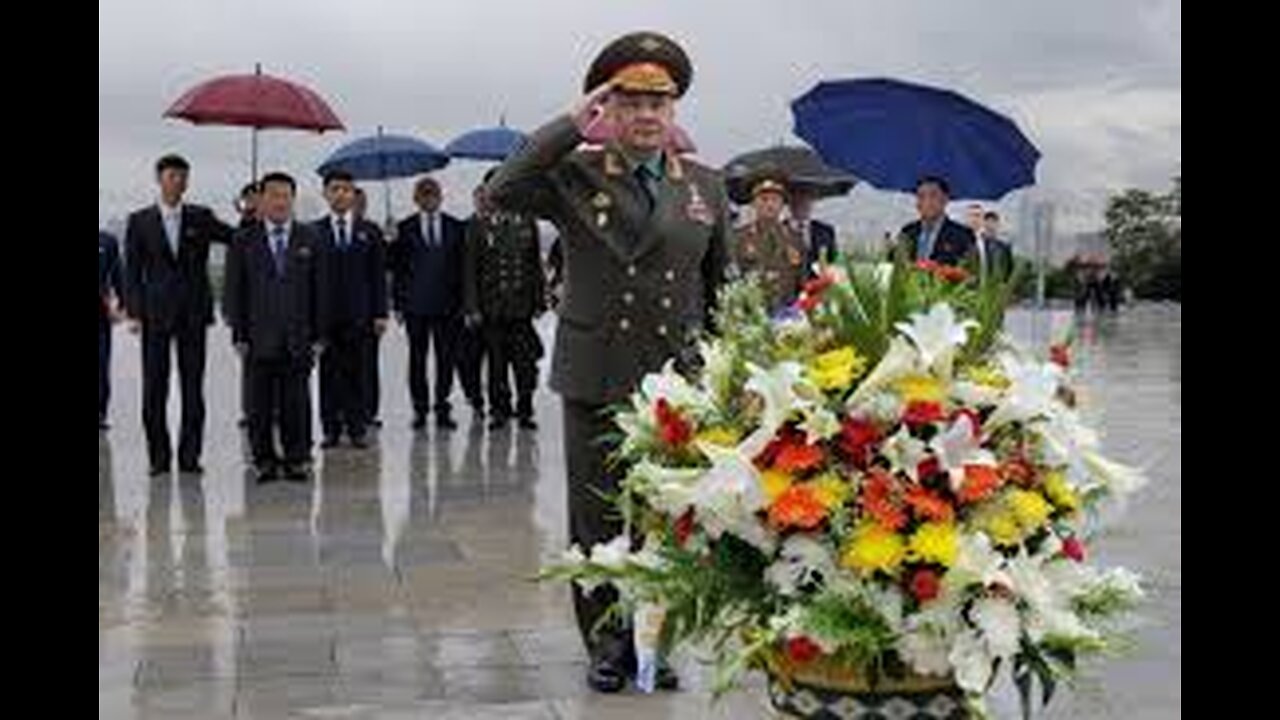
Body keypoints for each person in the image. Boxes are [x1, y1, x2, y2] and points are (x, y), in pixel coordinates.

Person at [486, 31, 729, 693]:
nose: (647, 115)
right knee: (597, 518)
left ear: (674, 111)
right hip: (596, 368)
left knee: (663, 518)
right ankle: (603, 643)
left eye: (660, 102)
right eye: (630, 102)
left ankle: (654, 644)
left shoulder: (706, 186)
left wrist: (718, 376)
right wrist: (571, 123)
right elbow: (503, 188)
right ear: (609, 111)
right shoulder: (577, 173)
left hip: (673, 380)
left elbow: (720, 287)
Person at [124, 154, 233, 475]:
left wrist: (249, 212)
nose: (179, 181)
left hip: (193, 314)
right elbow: (133, 271)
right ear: (159, 178)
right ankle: (158, 458)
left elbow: (234, 237)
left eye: (184, 176)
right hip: (155, 315)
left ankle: (189, 457)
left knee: (193, 387)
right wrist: (134, 311)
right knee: (153, 388)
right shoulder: (140, 220)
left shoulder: (201, 217)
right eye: (172, 175)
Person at [224, 172, 329, 483]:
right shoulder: (244, 239)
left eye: (286, 195)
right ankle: (264, 459)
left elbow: (321, 291)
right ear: (262, 200)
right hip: (257, 337)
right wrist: (239, 333)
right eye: (274, 195)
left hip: (299, 337)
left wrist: (320, 334)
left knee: (296, 401)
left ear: (292, 200)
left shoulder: (310, 238)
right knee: (258, 404)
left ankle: (297, 458)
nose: (280, 201)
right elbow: (234, 291)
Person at [464, 173, 545, 431]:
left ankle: (525, 410)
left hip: (521, 308)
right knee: (496, 365)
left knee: (524, 364)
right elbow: (470, 271)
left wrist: (539, 300)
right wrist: (472, 307)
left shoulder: (527, 221)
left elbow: (534, 266)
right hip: (492, 309)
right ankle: (499, 410)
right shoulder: (479, 226)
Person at [313, 171, 388, 449]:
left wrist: (380, 312)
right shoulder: (313, 231)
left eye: (347, 189)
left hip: (362, 315)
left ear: (354, 194)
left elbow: (378, 276)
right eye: (335, 189)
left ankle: (357, 428)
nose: (341, 194)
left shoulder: (369, 231)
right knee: (328, 374)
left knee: (359, 373)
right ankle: (330, 429)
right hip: (326, 317)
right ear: (326, 194)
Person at [390, 177, 467, 431]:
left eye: (433, 194)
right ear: (416, 199)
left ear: (440, 196)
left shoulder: (456, 227)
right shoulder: (404, 228)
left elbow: (463, 270)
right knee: (417, 360)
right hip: (415, 307)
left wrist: (465, 304)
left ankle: (442, 408)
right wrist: (398, 304)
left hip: (449, 307)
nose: (429, 198)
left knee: (446, 360)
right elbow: (396, 268)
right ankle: (420, 409)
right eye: (423, 194)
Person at [731, 169, 807, 309]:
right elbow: (732, 281)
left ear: (783, 204)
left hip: (787, 316)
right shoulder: (738, 238)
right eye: (764, 199)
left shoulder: (795, 239)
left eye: (775, 199)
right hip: (751, 314)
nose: (770, 205)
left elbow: (802, 283)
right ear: (753, 203)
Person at [895, 175, 975, 266]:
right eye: (921, 196)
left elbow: (970, 272)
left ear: (945, 200)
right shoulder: (907, 232)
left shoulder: (962, 235)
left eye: (933, 196)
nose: (927, 202)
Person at [99, 230, 125, 430]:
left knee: (100, 364)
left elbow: (118, 275)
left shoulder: (107, 241)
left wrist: (124, 305)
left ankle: (100, 412)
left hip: (101, 313)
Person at [789, 189, 837, 271]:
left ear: (812, 202)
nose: (801, 203)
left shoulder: (826, 232)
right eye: (797, 199)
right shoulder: (778, 229)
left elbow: (833, 263)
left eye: (806, 199)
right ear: (790, 203)